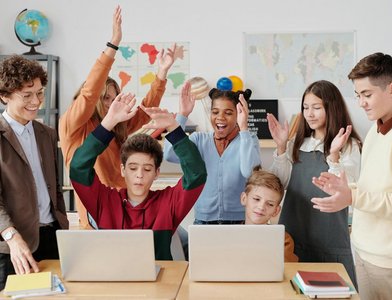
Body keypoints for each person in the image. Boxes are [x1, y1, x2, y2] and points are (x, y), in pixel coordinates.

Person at [59, 6, 176, 229]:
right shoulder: (74, 124)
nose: (112, 104)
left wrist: (161, 73)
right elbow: (90, 92)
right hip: (98, 214)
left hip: (124, 206)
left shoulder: (116, 126)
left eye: (114, 98)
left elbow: (145, 111)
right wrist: (114, 43)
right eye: (106, 99)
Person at [69, 82, 207, 260]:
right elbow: (78, 167)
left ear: (157, 173)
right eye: (133, 168)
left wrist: (174, 129)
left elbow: (196, 173)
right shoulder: (105, 201)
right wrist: (108, 124)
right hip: (116, 283)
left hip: (159, 284)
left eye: (147, 169)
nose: (139, 175)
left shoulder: (168, 203)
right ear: (123, 170)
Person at [311, 53, 392, 300]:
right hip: (364, 250)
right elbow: (373, 187)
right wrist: (343, 186)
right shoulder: (376, 130)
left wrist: (353, 197)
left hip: (390, 261)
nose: (361, 103)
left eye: (367, 94)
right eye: (358, 95)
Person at [267, 80, 362, 287]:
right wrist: (282, 147)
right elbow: (278, 184)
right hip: (293, 238)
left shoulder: (350, 146)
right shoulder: (297, 143)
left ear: (332, 107)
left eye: (317, 108)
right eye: (305, 107)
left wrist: (334, 154)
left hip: (330, 240)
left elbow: (349, 190)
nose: (309, 113)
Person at [0, 55, 69, 289]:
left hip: (52, 237)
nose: (36, 101)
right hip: (14, 246)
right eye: (26, 95)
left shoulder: (46, 133)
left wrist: (63, 223)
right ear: (4, 95)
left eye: (40, 93)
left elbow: (54, 185)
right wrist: (11, 237)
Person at [163, 87, 261, 224]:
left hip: (239, 221)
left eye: (228, 113)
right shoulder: (199, 140)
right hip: (203, 222)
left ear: (238, 115)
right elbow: (169, 154)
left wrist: (244, 127)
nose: (220, 117)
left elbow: (249, 172)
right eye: (215, 112)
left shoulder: (248, 139)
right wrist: (183, 115)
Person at [240, 168, 298, 262]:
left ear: (276, 211)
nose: (261, 207)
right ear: (244, 199)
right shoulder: (228, 236)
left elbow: (285, 270)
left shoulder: (282, 239)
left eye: (270, 204)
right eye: (256, 199)